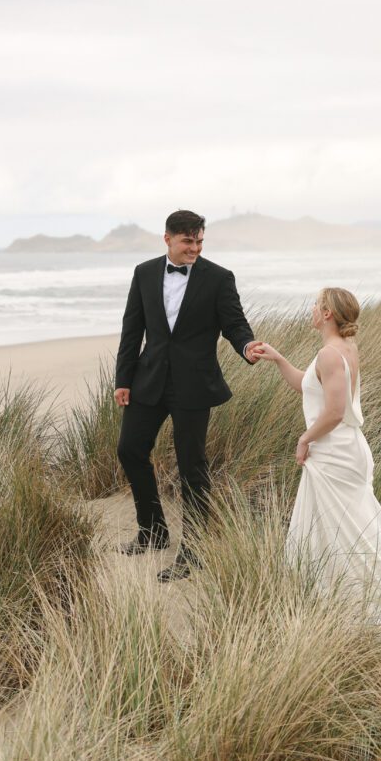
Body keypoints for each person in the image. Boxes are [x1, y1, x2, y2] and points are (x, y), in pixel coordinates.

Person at [250, 287, 381, 649]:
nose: (312, 310)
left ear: (328, 313)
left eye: (316, 305)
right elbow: (307, 385)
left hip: (336, 454)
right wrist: (278, 358)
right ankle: (334, 607)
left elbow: (332, 412)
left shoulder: (330, 354)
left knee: (359, 537)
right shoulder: (341, 351)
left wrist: (304, 439)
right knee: (335, 533)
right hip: (340, 451)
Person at [114, 209, 262, 582]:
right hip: (149, 380)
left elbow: (234, 324)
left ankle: (194, 551)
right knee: (130, 449)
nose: (194, 248)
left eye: (199, 241)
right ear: (168, 239)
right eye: (187, 242)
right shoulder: (144, 273)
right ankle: (153, 530)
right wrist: (123, 379)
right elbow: (132, 330)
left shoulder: (218, 278)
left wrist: (246, 347)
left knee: (191, 468)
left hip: (194, 384)